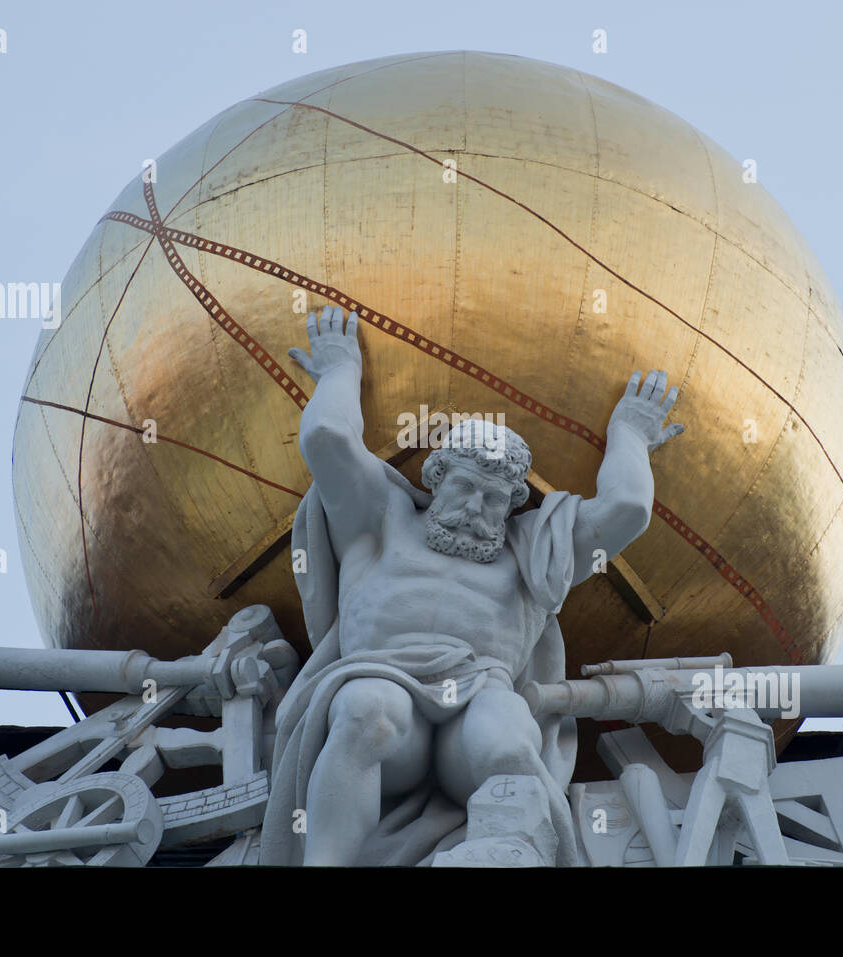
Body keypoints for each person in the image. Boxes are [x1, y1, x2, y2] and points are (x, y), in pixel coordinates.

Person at [260, 305, 685, 865]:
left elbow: (627, 509)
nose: (475, 508)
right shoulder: (379, 522)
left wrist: (630, 431)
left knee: (509, 736)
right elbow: (327, 439)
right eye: (464, 487)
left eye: (494, 498)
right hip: (386, 686)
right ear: (434, 479)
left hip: (478, 696)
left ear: (514, 505)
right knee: (365, 709)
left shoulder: (532, 552)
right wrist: (341, 369)